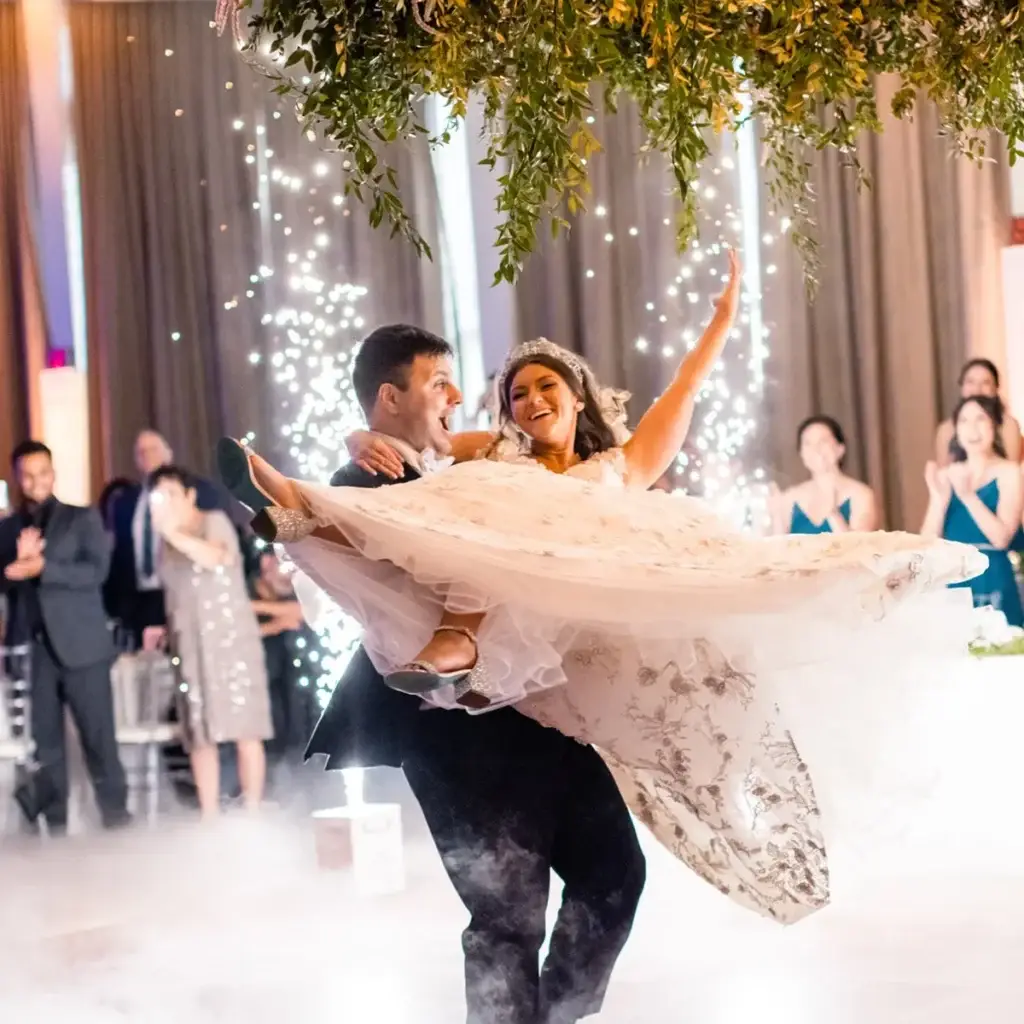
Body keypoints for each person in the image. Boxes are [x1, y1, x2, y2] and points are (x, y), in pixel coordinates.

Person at [218, 254, 982, 928]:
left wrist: (720, 323)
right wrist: (359, 439)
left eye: (544, 385)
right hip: (510, 637)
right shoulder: (494, 465)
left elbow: (681, 390)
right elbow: (421, 459)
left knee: (651, 826)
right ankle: (291, 505)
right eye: (513, 394)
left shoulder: (621, 465)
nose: (527, 401)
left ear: (577, 396)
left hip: (594, 629)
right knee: (468, 520)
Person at [220, 323, 646, 1024]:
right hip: (454, 731)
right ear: (390, 398)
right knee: (507, 915)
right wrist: (352, 450)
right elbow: (365, 538)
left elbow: (478, 462)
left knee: (615, 875)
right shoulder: (368, 477)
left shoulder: (472, 470)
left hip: (537, 710)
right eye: (437, 383)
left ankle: (559, 1017)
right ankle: (280, 504)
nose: (457, 395)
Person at [0, 440, 129, 834]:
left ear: (52, 473)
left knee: (99, 743)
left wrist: (44, 567)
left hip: (83, 647)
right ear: (18, 478)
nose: (36, 481)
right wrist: (15, 569)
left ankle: (118, 826)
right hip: (35, 651)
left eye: (42, 472)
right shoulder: (7, 528)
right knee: (47, 749)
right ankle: (54, 833)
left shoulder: (81, 518)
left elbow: (96, 572)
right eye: (27, 474)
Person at [142, 465, 272, 818]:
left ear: (190, 495)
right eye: (159, 496)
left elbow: (218, 557)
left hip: (230, 642)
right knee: (200, 733)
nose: (166, 502)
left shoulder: (212, 521)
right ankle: (210, 814)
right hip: (189, 646)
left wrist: (173, 534)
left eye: (172, 494)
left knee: (246, 727)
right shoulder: (163, 542)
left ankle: (254, 809)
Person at [104, 429, 224, 648]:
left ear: (169, 453)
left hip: (182, 594)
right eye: (141, 452)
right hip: (140, 599)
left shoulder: (196, 492)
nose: (148, 455)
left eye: (153, 449)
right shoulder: (124, 502)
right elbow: (120, 556)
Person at [922, 395, 1024, 626]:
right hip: (952, 578)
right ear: (956, 430)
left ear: (994, 425)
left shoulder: (1009, 472)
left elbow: (1001, 538)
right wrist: (938, 499)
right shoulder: (946, 474)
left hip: (992, 576)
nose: (972, 428)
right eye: (964, 421)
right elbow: (927, 543)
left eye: (980, 419)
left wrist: (968, 496)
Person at [769, 416, 878, 535]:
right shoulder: (789, 497)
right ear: (801, 454)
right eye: (808, 443)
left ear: (840, 449)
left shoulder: (861, 494)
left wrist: (833, 514)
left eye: (823, 441)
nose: (816, 449)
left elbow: (860, 549)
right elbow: (780, 549)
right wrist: (777, 516)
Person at [935, 358, 1022, 466]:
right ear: (962, 387)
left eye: (985, 383)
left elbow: (1012, 472)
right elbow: (943, 473)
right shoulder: (946, 429)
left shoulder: (1008, 425)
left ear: (995, 389)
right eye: (970, 382)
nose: (977, 389)